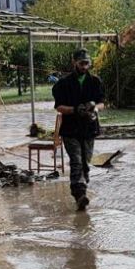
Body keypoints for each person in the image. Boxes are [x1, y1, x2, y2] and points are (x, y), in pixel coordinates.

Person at [53, 48, 105, 211]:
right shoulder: (63, 84)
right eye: (81, 63)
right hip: (71, 129)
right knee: (76, 161)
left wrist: (94, 108)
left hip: (89, 128)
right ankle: (79, 194)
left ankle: (82, 186)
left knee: (85, 162)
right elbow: (59, 107)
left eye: (86, 63)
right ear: (74, 63)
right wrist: (75, 110)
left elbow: (102, 103)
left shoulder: (95, 82)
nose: (84, 66)